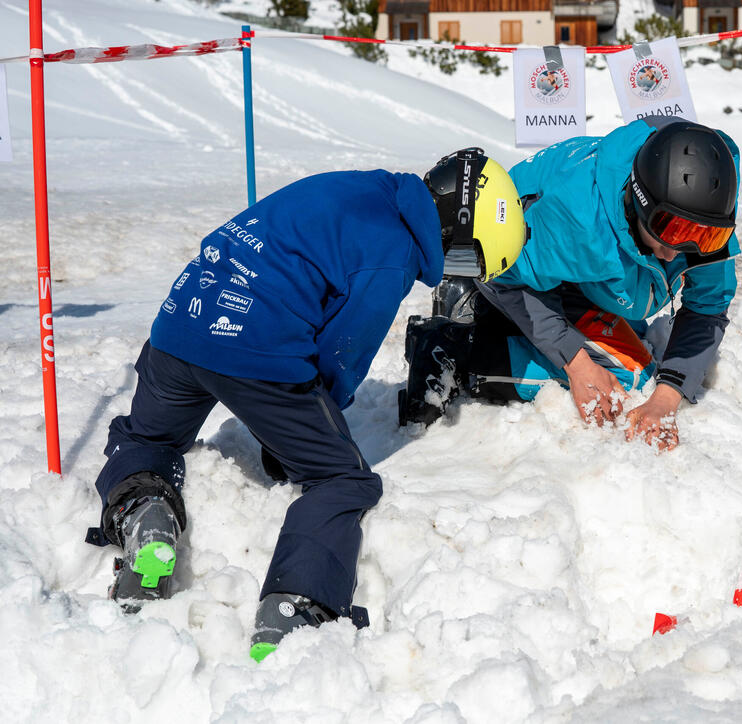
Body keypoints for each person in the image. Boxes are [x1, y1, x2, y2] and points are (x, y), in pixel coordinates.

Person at [84, 148, 525, 661]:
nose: (454, 271)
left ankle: (145, 512)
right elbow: (339, 357)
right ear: (457, 224)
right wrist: (301, 438)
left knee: (148, 437)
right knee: (344, 480)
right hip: (252, 344)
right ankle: (298, 608)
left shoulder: (367, 189)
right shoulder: (393, 254)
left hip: (183, 319)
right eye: (468, 258)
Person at [399, 119, 740, 452]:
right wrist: (576, 362)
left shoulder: (703, 211)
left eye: (702, 237)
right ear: (639, 201)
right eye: (669, 232)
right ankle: (452, 348)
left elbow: (706, 306)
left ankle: (481, 309)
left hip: (579, 278)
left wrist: (666, 400)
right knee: (624, 381)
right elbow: (506, 274)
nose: (674, 254)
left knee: (650, 369)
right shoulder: (577, 219)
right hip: (510, 269)